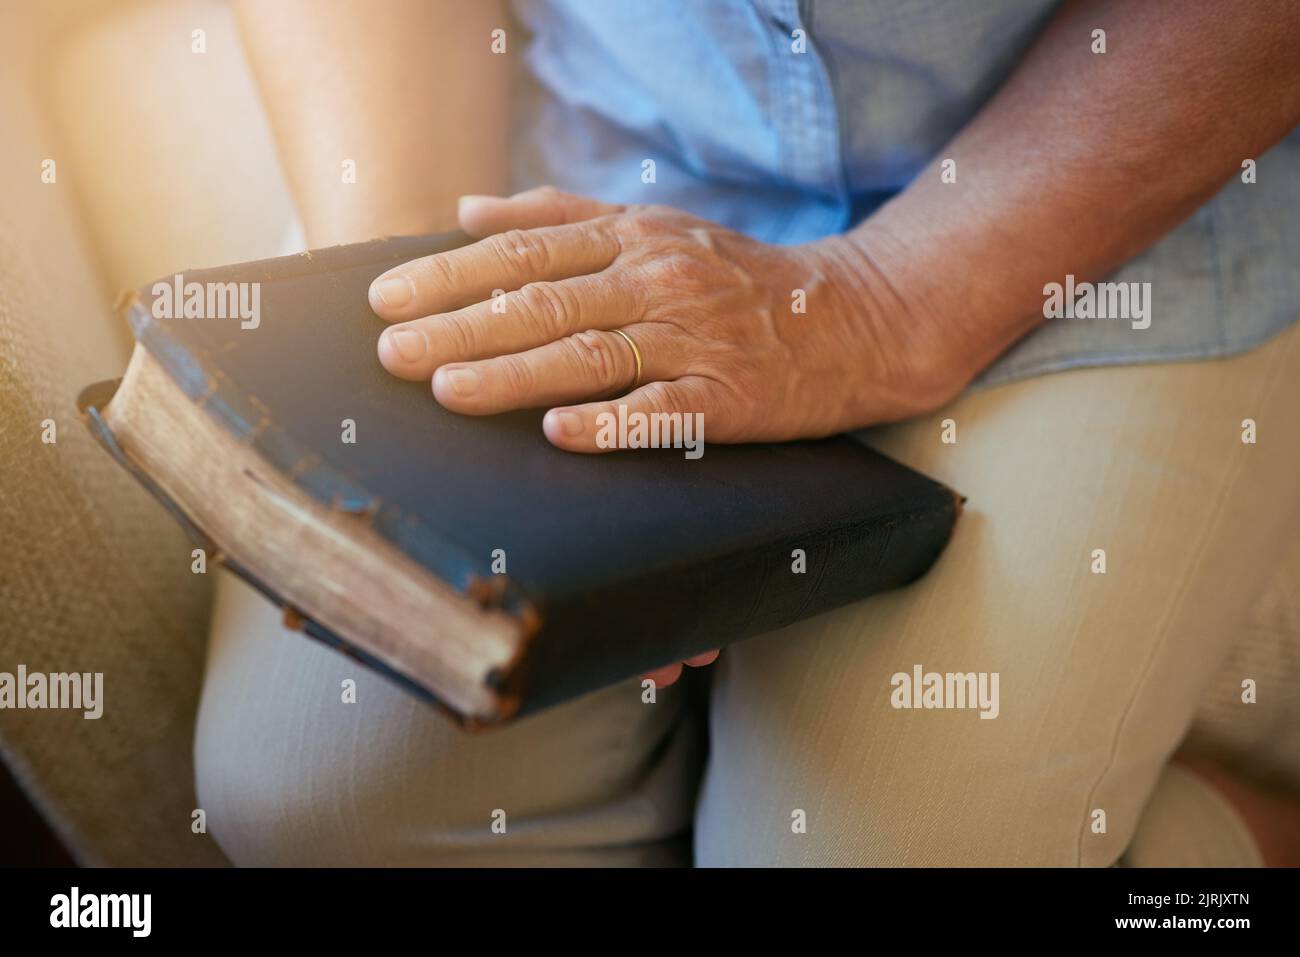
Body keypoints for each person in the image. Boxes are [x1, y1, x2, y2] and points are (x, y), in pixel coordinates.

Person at [194, 0, 1300, 866]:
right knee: (316, 807)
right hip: (584, 165)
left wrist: (881, 305)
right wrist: (408, 281)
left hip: (1104, 214)